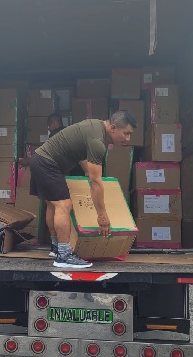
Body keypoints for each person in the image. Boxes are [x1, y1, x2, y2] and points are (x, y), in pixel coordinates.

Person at [29, 110, 137, 268]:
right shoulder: (97, 141)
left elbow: (78, 151)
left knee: (53, 204)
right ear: (113, 128)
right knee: (64, 205)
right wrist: (102, 216)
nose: (128, 139)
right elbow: (96, 182)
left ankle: (56, 247)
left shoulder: (94, 126)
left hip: (41, 160)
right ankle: (64, 256)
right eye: (126, 133)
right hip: (47, 163)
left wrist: (88, 170)